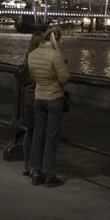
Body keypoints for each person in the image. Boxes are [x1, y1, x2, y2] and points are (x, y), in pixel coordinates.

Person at [26, 28, 69, 187]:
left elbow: (32, 76)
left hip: (39, 98)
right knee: (51, 137)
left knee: (38, 135)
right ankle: (47, 172)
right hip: (54, 98)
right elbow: (64, 78)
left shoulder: (32, 54)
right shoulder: (55, 55)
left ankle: (35, 171)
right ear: (55, 40)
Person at [20, 31, 47, 177]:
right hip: (41, 97)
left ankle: (26, 164)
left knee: (29, 132)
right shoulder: (43, 59)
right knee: (39, 133)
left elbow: (24, 79)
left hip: (28, 98)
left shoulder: (27, 58)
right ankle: (37, 166)